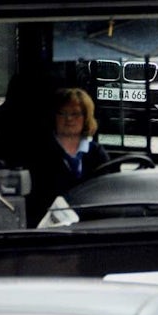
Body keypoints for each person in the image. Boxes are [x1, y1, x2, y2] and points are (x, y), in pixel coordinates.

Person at [26, 88, 111, 227]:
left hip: (91, 226)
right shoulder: (39, 152)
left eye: (76, 114)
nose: (69, 118)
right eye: (62, 113)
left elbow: (107, 191)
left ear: (86, 118)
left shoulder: (97, 153)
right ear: (54, 117)